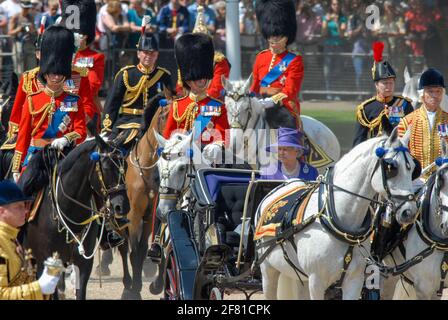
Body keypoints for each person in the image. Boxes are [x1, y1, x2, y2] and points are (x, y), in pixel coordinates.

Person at [11, 25, 87, 180]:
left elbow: (81, 131)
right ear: (45, 75)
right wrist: (16, 167)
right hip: (36, 154)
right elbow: (24, 136)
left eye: (60, 74)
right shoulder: (32, 99)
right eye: (53, 74)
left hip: (64, 154)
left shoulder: (73, 100)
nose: (57, 77)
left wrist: (66, 138)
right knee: (24, 191)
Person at [102, 17, 173, 148]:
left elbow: (172, 101)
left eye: (152, 53)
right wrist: (106, 129)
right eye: (145, 53)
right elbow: (112, 103)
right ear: (138, 54)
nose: (148, 56)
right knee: (109, 153)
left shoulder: (163, 75)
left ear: (157, 55)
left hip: (154, 121)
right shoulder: (126, 74)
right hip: (127, 121)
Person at [163, 33, 229, 163]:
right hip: (179, 162)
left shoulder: (218, 107)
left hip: (207, 162)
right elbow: (167, 137)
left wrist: (216, 146)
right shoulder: (177, 105)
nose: (201, 81)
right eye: (197, 78)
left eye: (204, 77)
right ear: (187, 80)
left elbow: (224, 138)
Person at [0, 177, 60, 298]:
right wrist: (39, 287)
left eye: (25, 205)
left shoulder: (12, 238)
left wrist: (45, 286)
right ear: (1, 212)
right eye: (19, 207)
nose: (26, 211)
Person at [251, 0, 304, 129]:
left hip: (283, 107)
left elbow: (290, 91)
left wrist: (271, 100)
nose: (274, 39)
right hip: (259, 104)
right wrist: (259, 95)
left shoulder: (294, 60)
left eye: (278, 35)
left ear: (286, 37)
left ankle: (288, 148)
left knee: (285, 124)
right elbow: (254, 87)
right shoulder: (261, 57)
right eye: (271, 35)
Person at [352, 41, 414, 147]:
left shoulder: (404, 104)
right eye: (385, 83)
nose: (388, 86)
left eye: (391, 83)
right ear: (376, 85)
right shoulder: (366, 108)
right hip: (374, 154)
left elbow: (413, 134)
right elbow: (359, 141)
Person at [398, 68, 448, 179]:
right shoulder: (407, 121)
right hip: (415, 179)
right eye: (430, 91)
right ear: (422, 94)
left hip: (444, 179)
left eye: (438, 91)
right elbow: (398, 154)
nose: (435, 95)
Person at [176, 5, 230, 100]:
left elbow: (216, 89)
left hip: (211, 105)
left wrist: (197, 100)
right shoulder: (187, 59)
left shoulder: (219, 61)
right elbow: (180, 87)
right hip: (189, 103)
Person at [65, 0, 105, 120]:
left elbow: (93, 85)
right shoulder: (65, 54)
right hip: (63, 104)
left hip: (85, 105)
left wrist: (70, 90)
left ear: (85, 36)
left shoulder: (96, 57)